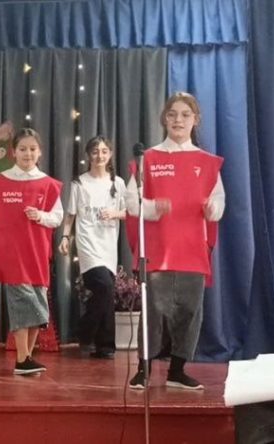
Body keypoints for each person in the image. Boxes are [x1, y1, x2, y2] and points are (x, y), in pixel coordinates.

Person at [126, 92, 225, 390]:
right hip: (157, 250)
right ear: (164, 119)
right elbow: (131, 202)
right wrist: (153, 207)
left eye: (185, 115)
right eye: (172, 114)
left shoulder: (207, 162)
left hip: (192, 249)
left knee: (189, 312)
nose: (178, 120)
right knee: (153, 312)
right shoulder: (148, 158)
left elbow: (219, 202)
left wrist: (212, 209)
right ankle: (143, 369)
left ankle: (177, 371)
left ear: (195, 120)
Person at [0, 128, 62, 375]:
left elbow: (57, 217)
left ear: (40, 152)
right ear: (13, 152)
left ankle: (27, 358)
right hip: (10, 252)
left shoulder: (48, 184)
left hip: (37, 253)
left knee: (38, 304)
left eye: (32, 149)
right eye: (22, 149)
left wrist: (40, 216)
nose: (27, 154)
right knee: (22, 301)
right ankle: (22, 359)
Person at [59, 136, 127, 359]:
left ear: (110, 154)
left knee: (105, 293)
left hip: (108, 244)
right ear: (88, 155)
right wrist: (65, 237)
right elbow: (71, 215)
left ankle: (104, 346)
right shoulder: (79, 183)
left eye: (104, 151)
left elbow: (129, 212)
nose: (100, 156)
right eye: (95, 151)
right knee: (104, 286)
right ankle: (84, 331)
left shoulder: (118, 183)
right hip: (88, 243)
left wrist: (114, 213)